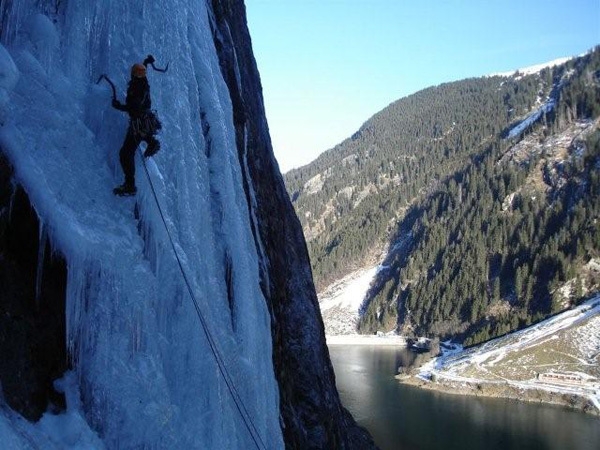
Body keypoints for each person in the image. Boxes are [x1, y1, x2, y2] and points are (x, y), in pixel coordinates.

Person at [112, 63, 161, 196]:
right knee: (134, 144)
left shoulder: (136, 87)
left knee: (126, 153)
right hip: (146, 121)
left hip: (138, 123)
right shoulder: (144, 83)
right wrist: (146, 61)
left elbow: (134, 107)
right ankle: (150, 140)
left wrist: (119, 106)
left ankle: (130, 185)